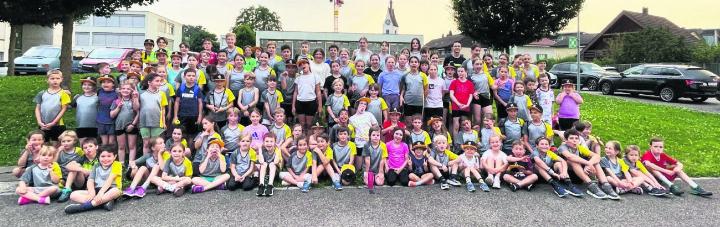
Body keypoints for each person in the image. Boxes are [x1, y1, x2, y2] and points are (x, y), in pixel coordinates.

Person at [557, 129, 619, 200]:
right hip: (564, 176)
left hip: (578, 176)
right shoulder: (562, 147)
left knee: (595, 162)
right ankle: (591, 185)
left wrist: (589, 164)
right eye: (571, 138)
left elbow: (597, 156)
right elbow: (569, 156)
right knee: (572, 160)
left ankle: (605, 185)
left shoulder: (579, 147)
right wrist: (588, 163)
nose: (574, 140)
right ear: (566, 140)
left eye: (576, 138)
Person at [641, 137, 712, 196]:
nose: (658, 148)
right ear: (650, 146)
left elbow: (680, 163)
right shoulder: (647, 154)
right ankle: (671, 186)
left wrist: (678, 169)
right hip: (651, 177)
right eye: (655, 146)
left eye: (661, 147)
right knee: (652, 168)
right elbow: (648, 164)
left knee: (678, 169)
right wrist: (666, 171)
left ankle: (695, 187)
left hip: (662, 176)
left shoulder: (663, 155)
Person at [64, 144, 123, 214]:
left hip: (110, 189)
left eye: (109, 156)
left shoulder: (117, 164)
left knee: (116, 191)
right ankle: (104, 202)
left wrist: (101, 193)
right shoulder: (96, 166)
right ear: (99, 157)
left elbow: (110, 179)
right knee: (73, 195)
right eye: (103, 156)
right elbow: (90, 180)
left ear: (115, 156)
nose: (106, 159)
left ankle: (86, 206)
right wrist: (91, 192)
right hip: (96, 191)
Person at [34, 69, 71, 142]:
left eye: (58, 78)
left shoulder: (64, 94)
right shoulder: (42, 93)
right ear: (47, 80)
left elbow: (63, 109)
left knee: (56, 145)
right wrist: (39, 122)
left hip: (58, 125)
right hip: (43, 124)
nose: (55, 80)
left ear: (61, 79)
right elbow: (37, 108)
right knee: (44, 146)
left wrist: (53, 123)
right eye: (52, 78)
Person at [139, 73, 169, 155]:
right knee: (146, 143)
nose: (159, 83)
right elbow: (138, 108)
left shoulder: (162, 93)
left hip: (156, 122)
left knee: (155, 144)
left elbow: (163, 109)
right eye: (157, 81)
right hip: (144, 122)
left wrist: (163, 122)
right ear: (149, 82)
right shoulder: (141, 94)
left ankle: (156, 161)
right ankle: (146, 162)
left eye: (160, 81)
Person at [349, 97, 379, 171]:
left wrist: (374, 137)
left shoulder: (369, 114)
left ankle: (369, 170)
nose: (363, 105)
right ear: (357, 105)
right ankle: (360, 171)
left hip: (369, 142)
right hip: (359, 142)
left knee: (369, 158)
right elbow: (351, 132)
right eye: (361, 103)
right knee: (358, 166)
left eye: (365, 104)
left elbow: (376, 126)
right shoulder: (352, 118)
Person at [293, 59, 323, 130]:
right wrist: (293, 106)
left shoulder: (315, 76)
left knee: (309, 125)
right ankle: (302, 139)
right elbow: (295, 92)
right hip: (300, 102)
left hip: (311, 102)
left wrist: (320, 106)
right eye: (300, 65)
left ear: (308, 64)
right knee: (302, 124)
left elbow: (318, 92)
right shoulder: (298, 77)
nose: (303, 65)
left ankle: (308, 139)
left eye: (304, 63)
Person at [173, 69, 204, 137]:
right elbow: (177, 102)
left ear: (195, 77)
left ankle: (190, 148)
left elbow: (200, 103)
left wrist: (200, 116)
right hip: (182, 115)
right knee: (182, 134)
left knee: (192, 135)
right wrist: (175, 116)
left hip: (194, 116)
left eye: (193, 76)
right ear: (184, 77)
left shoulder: (197, 89)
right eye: (189, 75)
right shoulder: (181, 88)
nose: (191, 77)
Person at [469, 59, 495, 127]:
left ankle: (485, 135)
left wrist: (501, 84)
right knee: (477, 120)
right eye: (477, 64)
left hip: (486, 97)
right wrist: (473, 92)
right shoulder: (470, 76)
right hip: (476, 98)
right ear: (473, 65)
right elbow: (469, 88)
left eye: (480, 64)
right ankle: (477, 136)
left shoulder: (486, 74)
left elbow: (493, 86)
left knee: (489, 118)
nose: (479, 66)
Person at [448, 67, 474, 136]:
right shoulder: (454, 82)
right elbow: (451, 94)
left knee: (465, 125)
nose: (460, 73)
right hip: (456, 106)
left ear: (466, 72)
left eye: (462, 71)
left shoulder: (470, 83)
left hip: (466, 106)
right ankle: (456, 143)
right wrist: (458, 104)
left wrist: (467, 104)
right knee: (456, 125)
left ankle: (464, 141)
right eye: (459, 71)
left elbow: (471, 95)